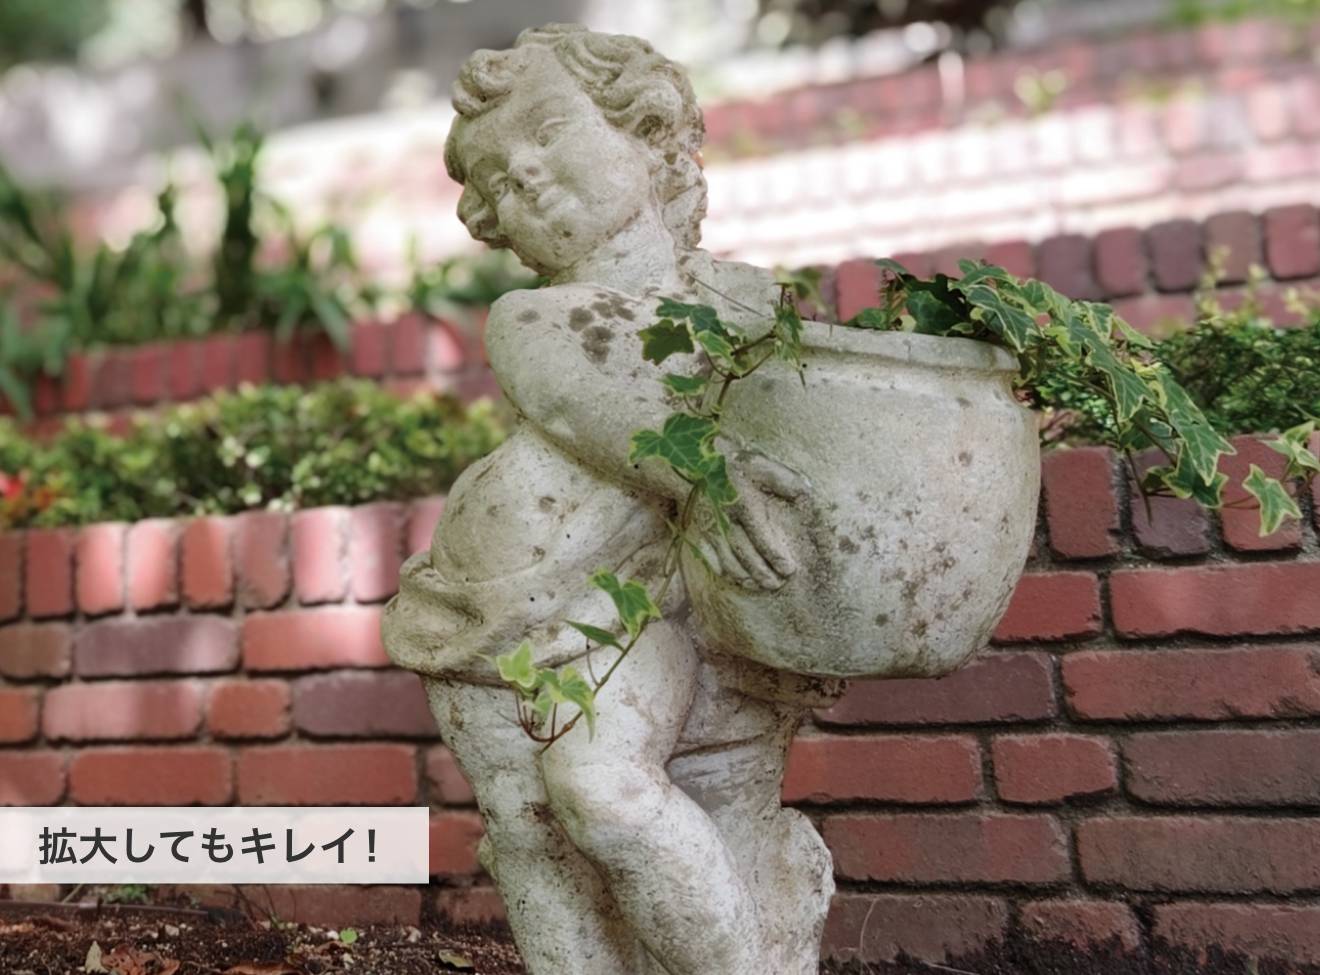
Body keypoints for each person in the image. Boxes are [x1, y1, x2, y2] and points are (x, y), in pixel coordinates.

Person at [383, 24, 838, 975]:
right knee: (530, 830)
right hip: (487, 608)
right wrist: (708, 476)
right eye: (498, 180)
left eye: (548, 131)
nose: (524, 176)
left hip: (636, 601)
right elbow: (613, 412)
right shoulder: (534, 318)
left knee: (608, 792)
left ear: (647, 126)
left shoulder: (750, 308)